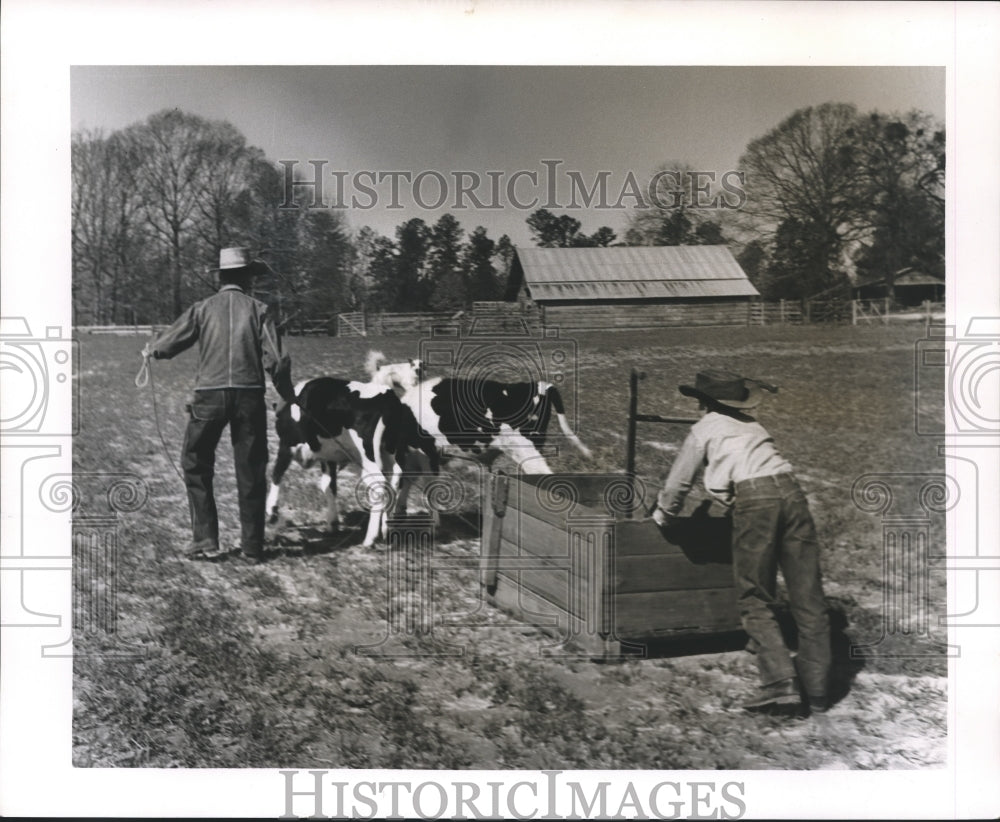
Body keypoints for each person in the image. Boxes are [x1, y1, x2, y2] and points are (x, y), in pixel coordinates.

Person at [651, 369, 831, 715]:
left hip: (755, 501)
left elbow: (678, 485)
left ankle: (781, 683)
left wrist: (663, 515)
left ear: (702, 402)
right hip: (792, 494)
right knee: (808, 596)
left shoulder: (704, 429)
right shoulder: (753, 425)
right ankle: (819, 690)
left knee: (754, 595)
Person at [142, 247, 295, 564]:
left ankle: (205, 539)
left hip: (209, 396)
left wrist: (152, 351)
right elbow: (278, 361)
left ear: (221, 277)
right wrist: (286, 392)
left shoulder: (202, 308)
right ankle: (252, 548)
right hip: (249, 395)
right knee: (251, 469)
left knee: (196, 463)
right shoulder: (259, 309)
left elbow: (170, 342)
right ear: (246, 278)